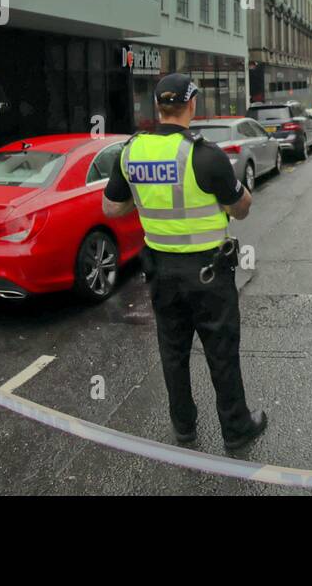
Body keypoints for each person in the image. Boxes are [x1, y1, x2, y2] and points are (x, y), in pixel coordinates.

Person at [102, 73, 268, 451]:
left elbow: (111, 207)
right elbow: (240, 209)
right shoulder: (204, 154)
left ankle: (184, 427)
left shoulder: (130, 151)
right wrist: (236, 194)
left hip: (160, 272)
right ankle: (236, 430)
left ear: (158, 108)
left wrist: (143, 197)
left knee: (172, 351)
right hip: (209, 273)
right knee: (221, 351)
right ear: (191, 105)